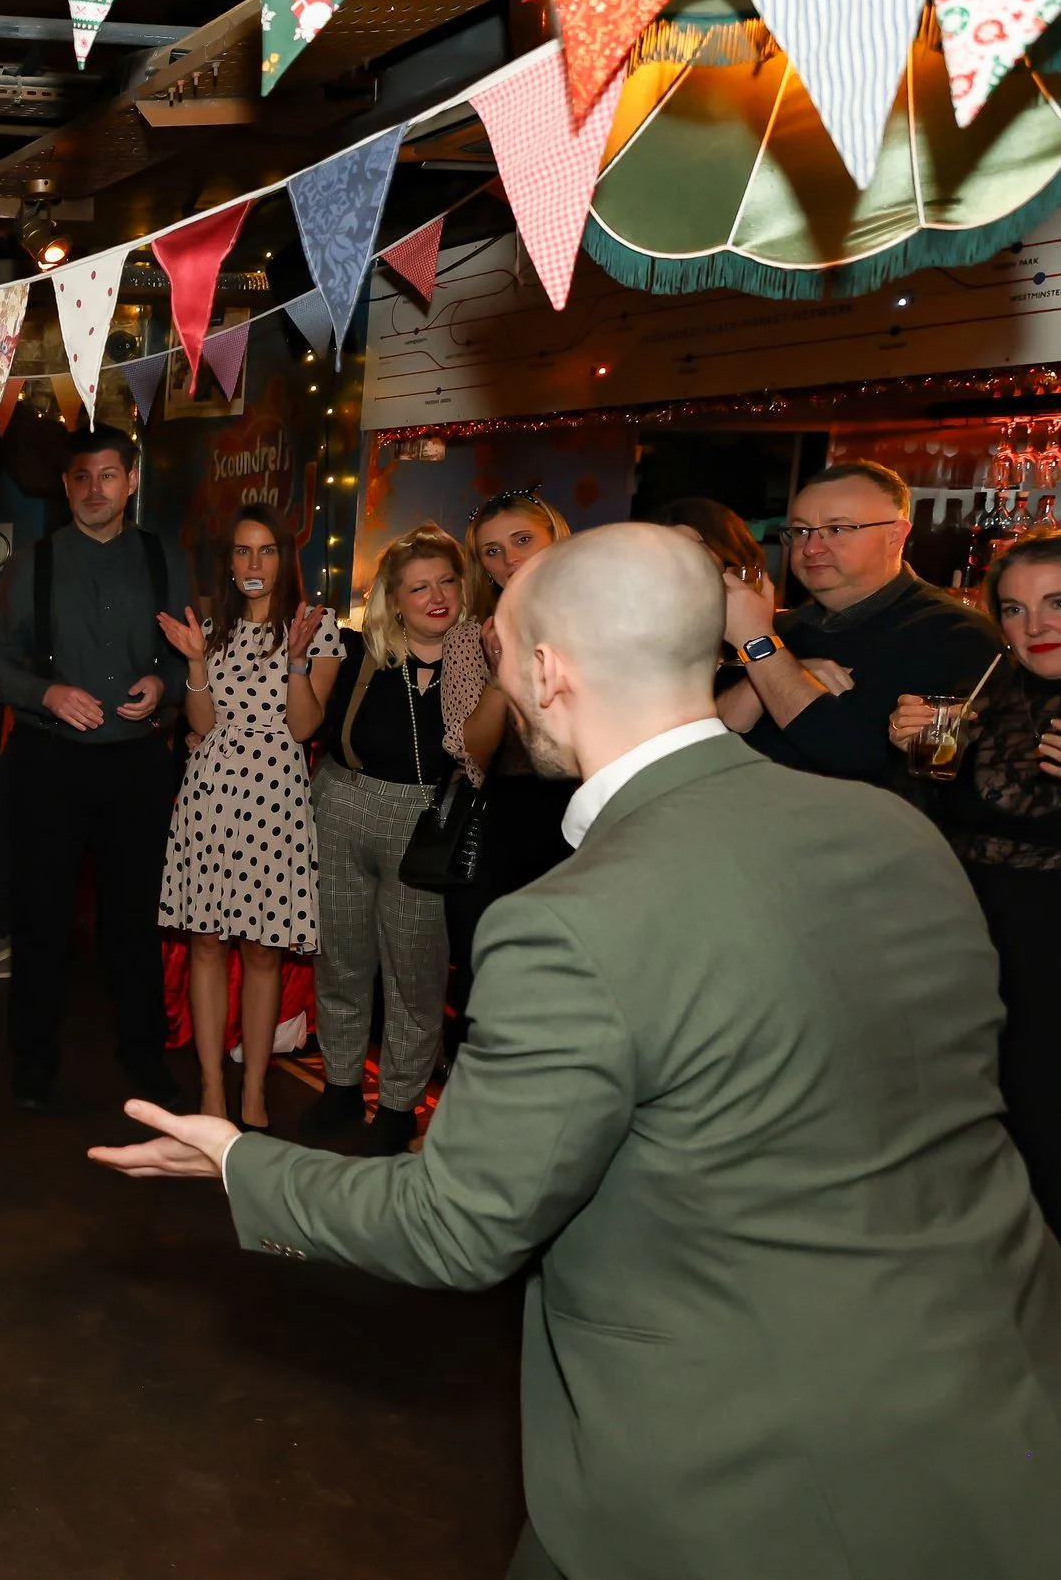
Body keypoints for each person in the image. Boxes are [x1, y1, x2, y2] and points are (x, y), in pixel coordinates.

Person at [93, 524, 1061, 1580]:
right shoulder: (897, 833)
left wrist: (236, 1160)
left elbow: (455, 1226)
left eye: (504, 650)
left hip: (734, 1483)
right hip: (999, 1407)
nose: (496, 671)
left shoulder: (568, 921)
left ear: (550, 671)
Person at [0, 426, 193, 1114]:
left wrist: (164, 686)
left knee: (135, 921)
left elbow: (186, 653)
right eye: (82, 478)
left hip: (138, 763)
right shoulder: (32, 562)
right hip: (50, 761)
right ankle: (32, 1061)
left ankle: (145, 1057)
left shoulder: (165, 559)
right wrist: (46, 692)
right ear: (68, 485)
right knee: (40, 917)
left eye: (109, 476)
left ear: (131, 481)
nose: (95, 489)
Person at [893, 531, 1061, 1235]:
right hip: (970, 930)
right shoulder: (984, 692)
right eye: (1015, 609)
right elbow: (940, 809)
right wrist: (913, 748)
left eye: (1057, 604)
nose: (1035, 626)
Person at [155, 503, 342, 1127]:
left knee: (264, 952)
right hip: (210, 799)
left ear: (285, 557)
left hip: (276, 803)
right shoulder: (212, 627)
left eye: (265, 550)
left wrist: (293, 660)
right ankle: (212, 1090)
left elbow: (304, 725)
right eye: (242, 551)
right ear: (230, 562)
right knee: (207, 944)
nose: (253, 563)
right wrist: (197, 664)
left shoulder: (319, 626)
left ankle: (254, 1091)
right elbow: (202, 728)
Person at [301, 525, 476, 1155]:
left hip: (425, 822)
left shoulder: (482, 659)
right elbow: (300, 719)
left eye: (446, 582)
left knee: (416, 972)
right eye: (418, 587)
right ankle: (342, 1087)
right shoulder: (359, 653)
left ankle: (399, 1105)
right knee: (341, 959)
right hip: (343, 803)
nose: (435, 596)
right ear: (393, 599)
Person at [720, 460, 1001, 787]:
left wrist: (760, 645)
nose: (811, 547)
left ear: (895, 536)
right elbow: (710, 734)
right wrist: (792, 669)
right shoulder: (783, 628)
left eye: (837, 529)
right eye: (800, 531)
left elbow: (858, 759)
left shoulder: (955, 633)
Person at [446, 494, 577, 1031]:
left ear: (554, 533)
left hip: (587, 815)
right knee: (490, 969)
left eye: (522, 540)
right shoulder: (471, 632)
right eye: (492, 552)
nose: (509, 560)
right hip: (501, 817)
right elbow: (470, 752)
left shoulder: (601, 614)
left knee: (570, 974)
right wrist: (501, 676)